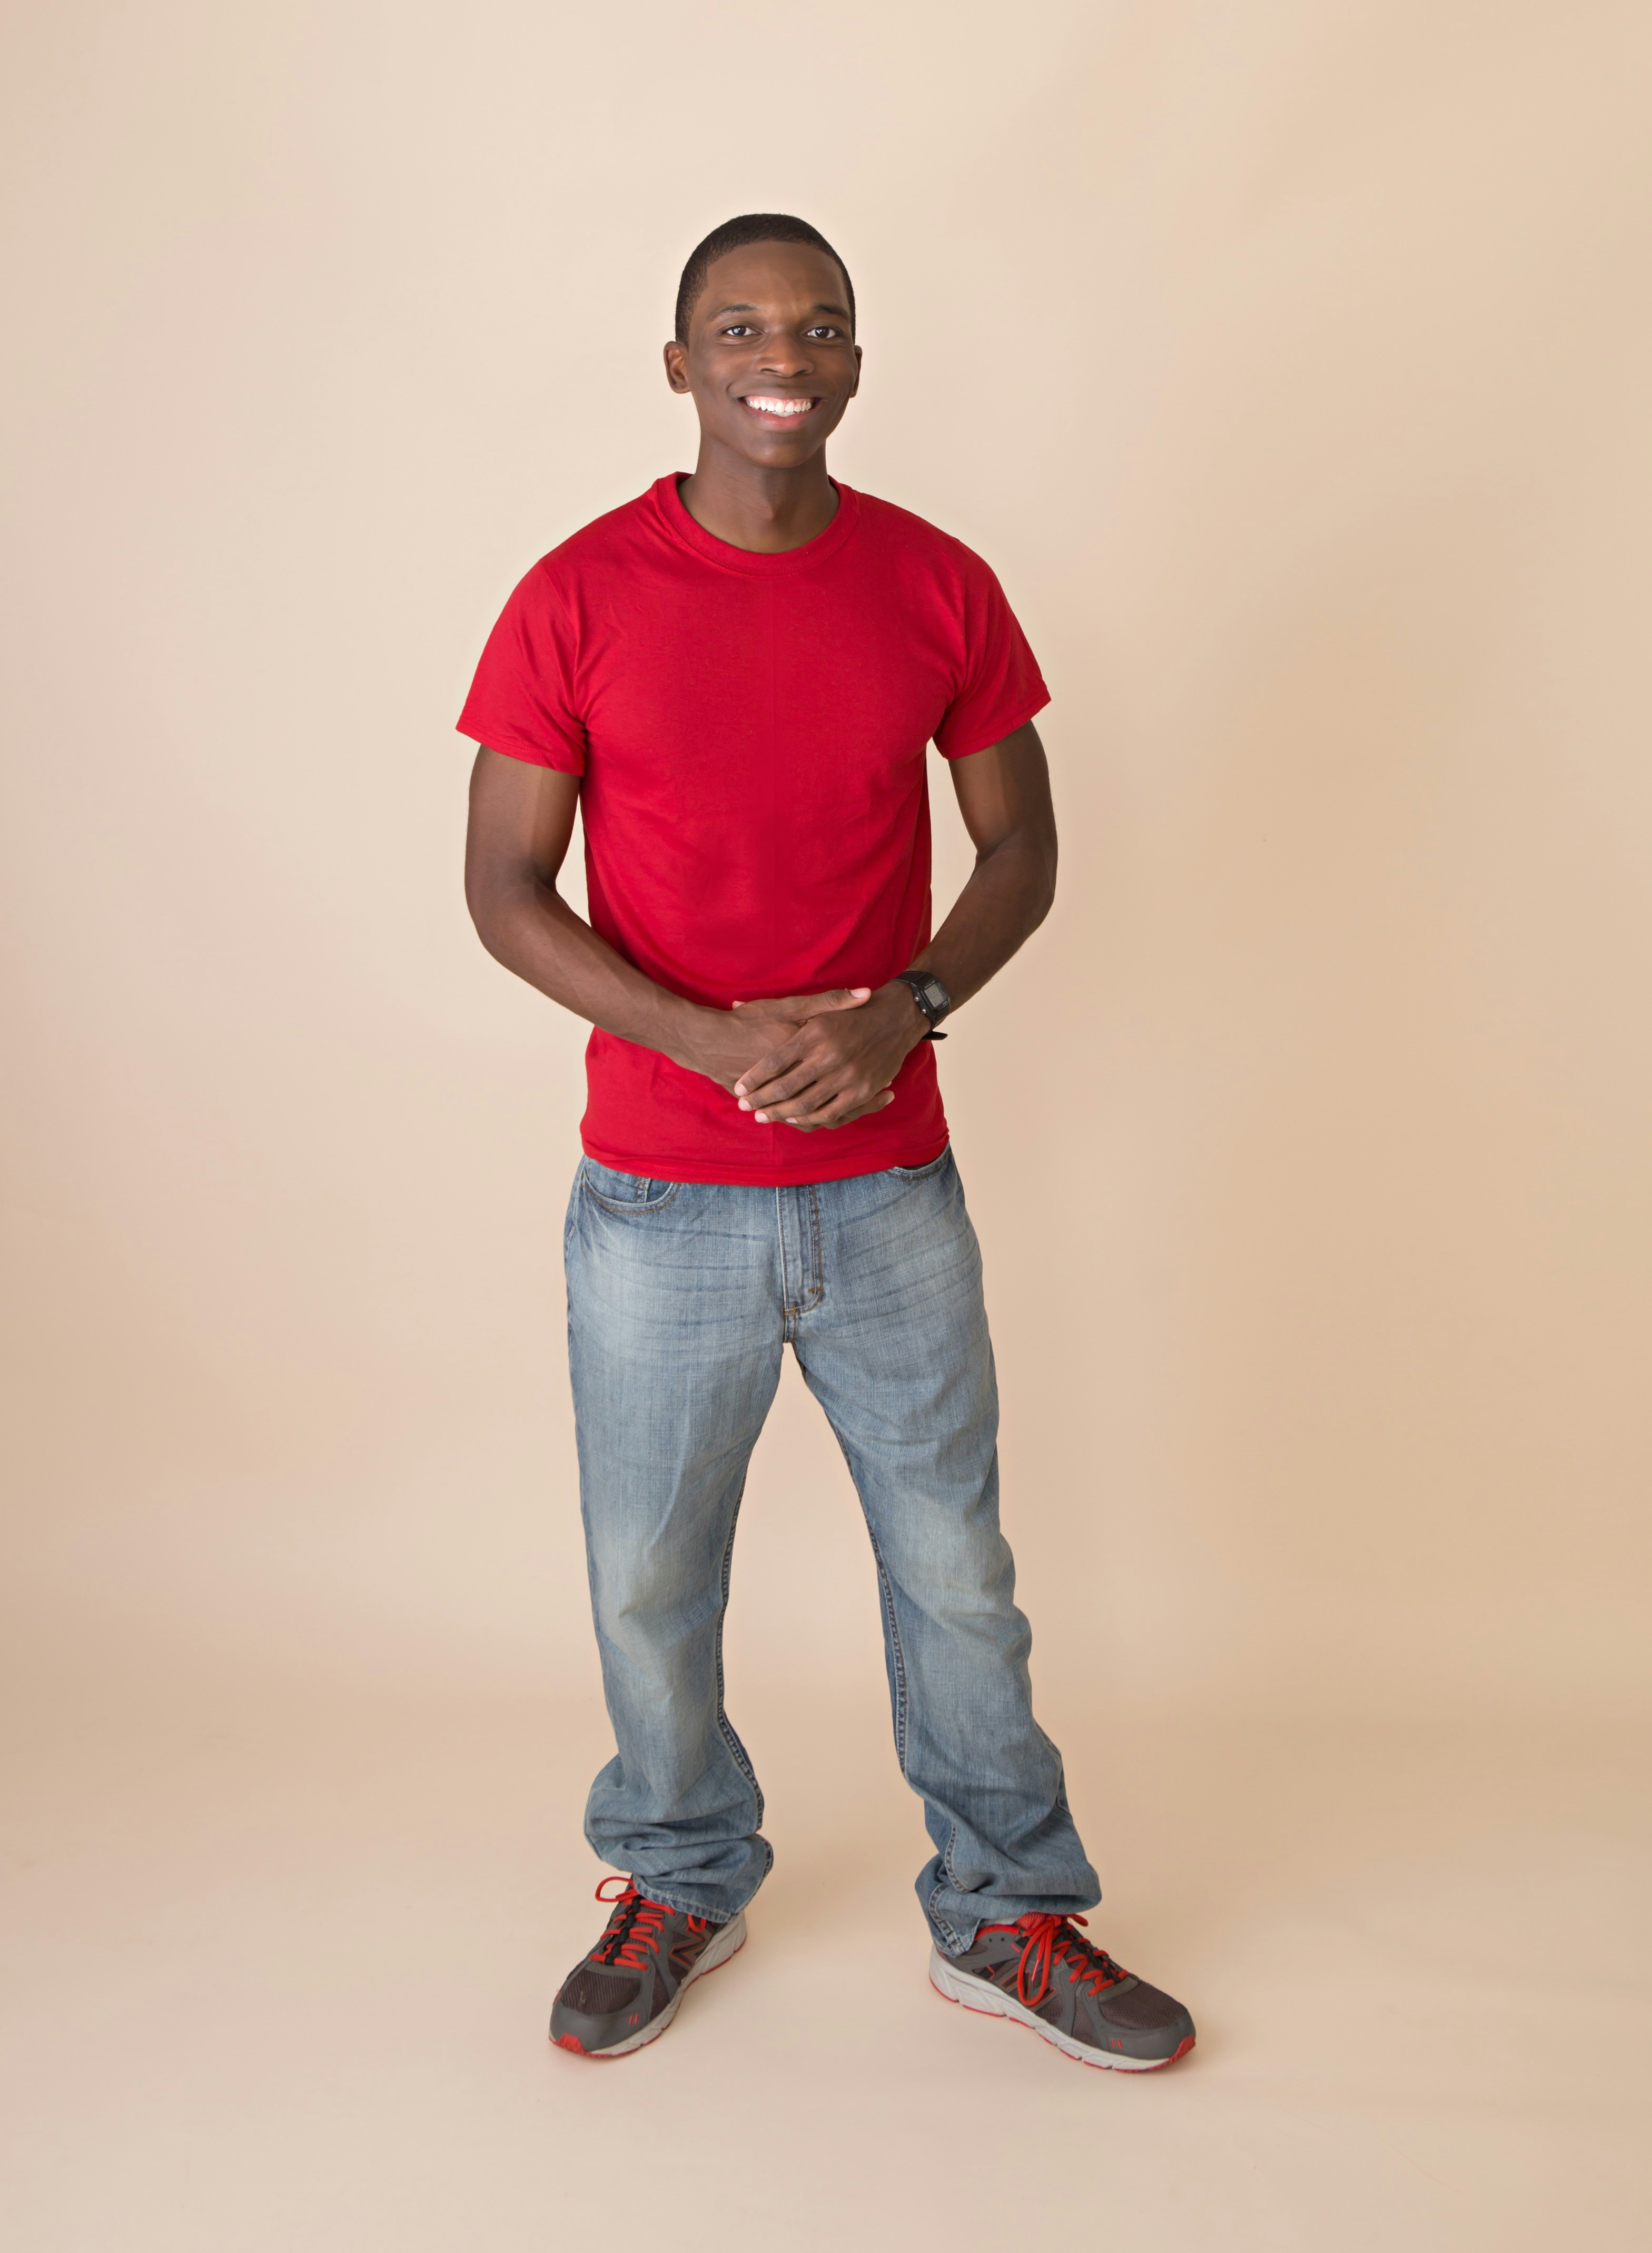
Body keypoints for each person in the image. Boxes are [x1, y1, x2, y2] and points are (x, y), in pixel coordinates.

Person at [459, 213, 1194, 2072]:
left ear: (855, 362)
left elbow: (1019, 845)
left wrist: (906, 1010)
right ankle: (679, 1872)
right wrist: (712, 1041)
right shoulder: (576, 592)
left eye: (817, 326)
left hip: (889, 1188)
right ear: (679, 363)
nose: (780, 354)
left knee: (955, 1564)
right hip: (655, 1198)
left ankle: (1007, 1911)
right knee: (648, 1572)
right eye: (738, 326)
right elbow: (500, 888)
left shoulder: (937, 584)